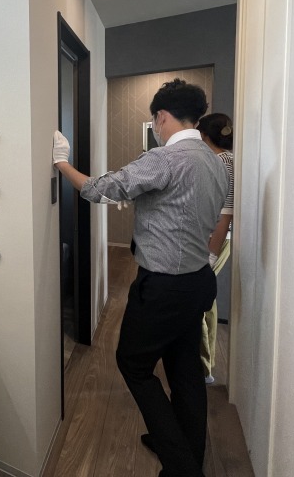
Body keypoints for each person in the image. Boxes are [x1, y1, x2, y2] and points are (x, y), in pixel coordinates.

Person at [52, 79, 228, 477]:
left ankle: (181, 465)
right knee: (185, 369)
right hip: (198, 279)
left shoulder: (163, 158)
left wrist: (61, 163)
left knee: (132, 363)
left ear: (161, 117)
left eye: (156, 121)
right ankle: (187, 450)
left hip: (164, 285)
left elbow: (99, 188)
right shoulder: (214, 161)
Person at [196, 114, 234, 385]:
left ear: (204, 136)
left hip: (216, 240)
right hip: (214, 239)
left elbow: (225, 216)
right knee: (206, 300)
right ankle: (205, 366)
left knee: (196, 302)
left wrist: (210, 255)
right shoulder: (227, 159)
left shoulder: (221, 163)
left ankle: (202, 368)